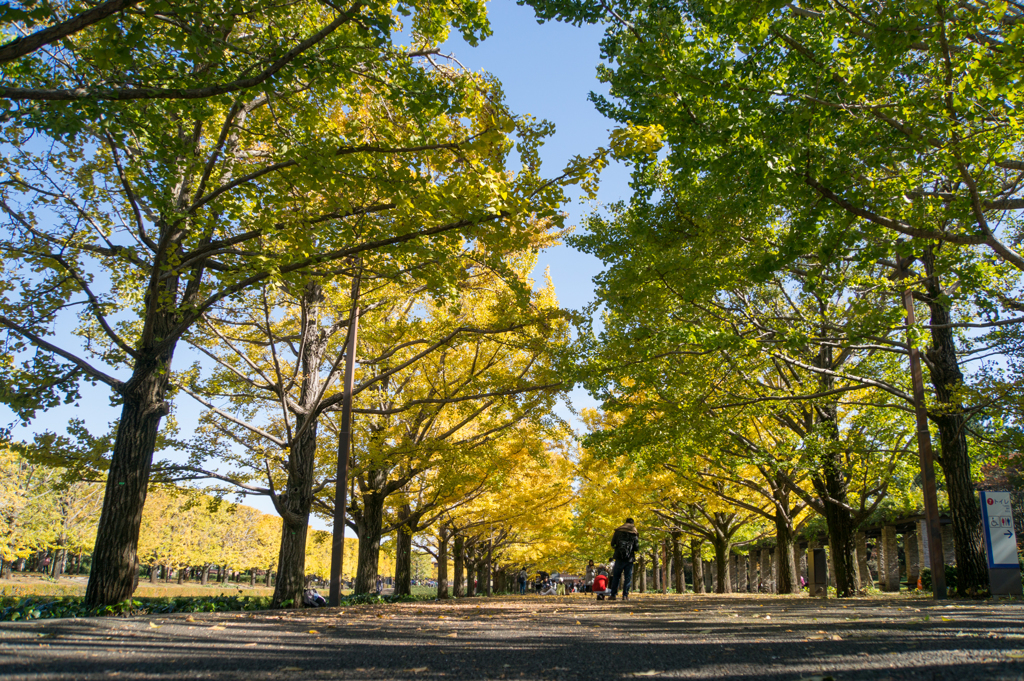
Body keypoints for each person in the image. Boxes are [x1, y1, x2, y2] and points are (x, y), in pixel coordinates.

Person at [608, 517, 640, 601]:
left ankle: (613, 595)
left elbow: (612, 544)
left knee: (616, 577)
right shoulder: (634, 533)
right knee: (628, 578)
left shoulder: (618, 531)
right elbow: (636, 548)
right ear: (632, 524)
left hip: (619, 557)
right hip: (629, 559)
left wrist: (618, 548)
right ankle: (625, 595)